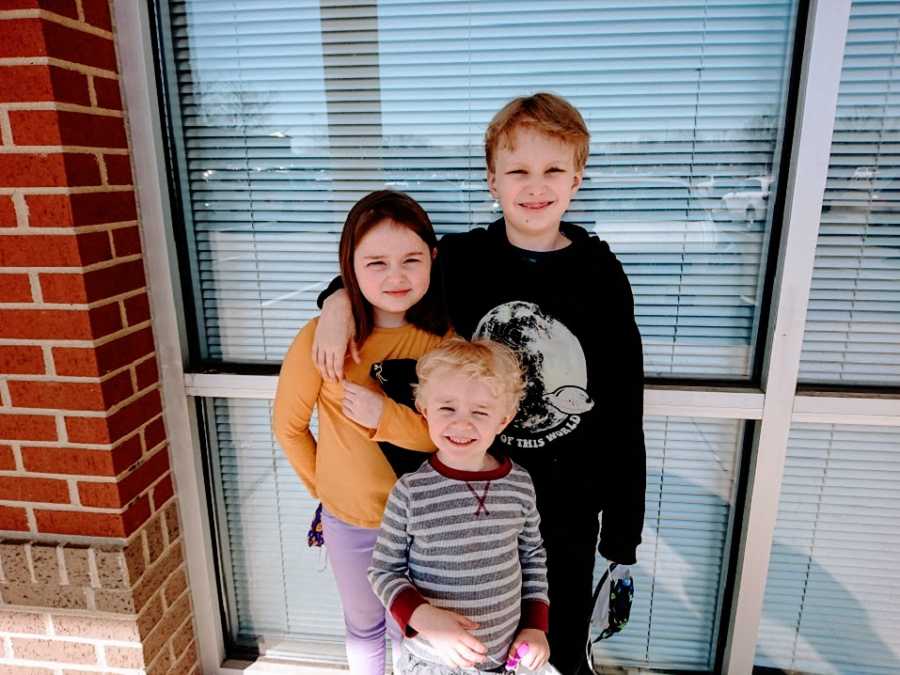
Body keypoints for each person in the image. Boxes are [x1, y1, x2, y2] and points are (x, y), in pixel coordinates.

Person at [315, 93, 646, 674]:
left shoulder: (600, 274)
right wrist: (337, 301)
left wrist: (622, 531)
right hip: (465, 502)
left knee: (552, 648)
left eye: (552, 170)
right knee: (464, 649)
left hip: (565, 508)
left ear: (578, 179)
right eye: (518, 170)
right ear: (492, 180)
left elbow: (623, 400)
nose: (535, 186)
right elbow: (387, 277)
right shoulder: (463, 260)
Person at [272, 190, 450, 675]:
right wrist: (329, 494)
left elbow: (446, 437)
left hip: (425, 524)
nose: (396, 277)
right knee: (365, 624)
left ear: (433, 259)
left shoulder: (446, 342)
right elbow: (288, 427)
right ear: (350, 266)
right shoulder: (322, 337)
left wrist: (385, 418)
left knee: (411, 628)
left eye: (412, 259)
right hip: (351, 523)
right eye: (376, 263)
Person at [368, 337, 551, 674]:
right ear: (425, 412)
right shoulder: (410, 492)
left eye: (480, 412)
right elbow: (383, 571)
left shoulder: (520, 484)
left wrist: (536, 626)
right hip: (432, 661)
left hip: (507, 660)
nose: (462, 423)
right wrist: (427, 619)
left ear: (503, 420)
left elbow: (533, 557)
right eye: (447, 408)